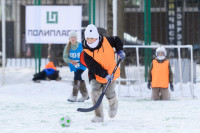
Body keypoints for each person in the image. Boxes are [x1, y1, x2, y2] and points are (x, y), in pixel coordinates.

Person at [81, 24, 125, 122]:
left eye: (91, 38)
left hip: (111, 71)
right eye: (87, 38)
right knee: (95, 93)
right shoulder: (86, 52)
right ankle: (98, 116)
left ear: (96, 37)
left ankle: (113, 104)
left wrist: (120, 50)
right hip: (96, 74)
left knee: (109, 93)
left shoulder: (106, 41)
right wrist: (105, 74)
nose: (89, 40)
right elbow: (93, 67)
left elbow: (117, 40)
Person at [63, 31, 89, 102]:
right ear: (69, 38)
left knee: (76, 76)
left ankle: (74, 95)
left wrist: (83, 61)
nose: (73, 38)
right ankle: (85, 95)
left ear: (76, 38)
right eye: (72, 37)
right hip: (74, 66)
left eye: (74, 37)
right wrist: (71, 61)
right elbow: (65, 57)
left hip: (82, 65)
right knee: (78, 78)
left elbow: (86, 54)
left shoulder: (81, 45)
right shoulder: (67, 47)